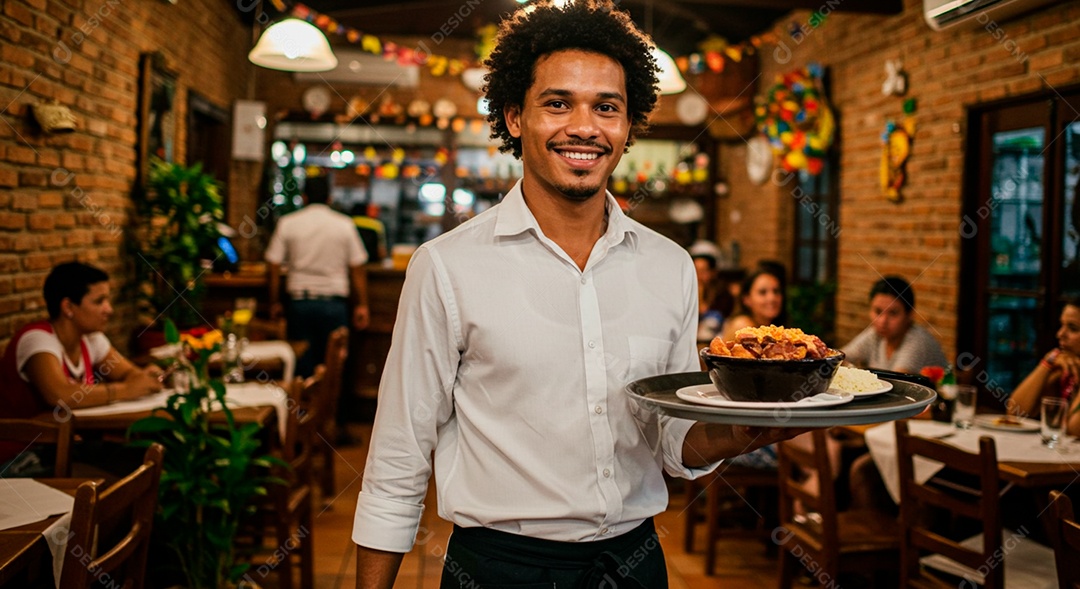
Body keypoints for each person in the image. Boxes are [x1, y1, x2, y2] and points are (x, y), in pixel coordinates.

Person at [352, 2, 801, 586]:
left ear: (628, 125)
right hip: (496, 571)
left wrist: (747, 429)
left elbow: (673, 437)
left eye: (606, 108)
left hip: (635, 565)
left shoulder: (672, 267)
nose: (584, 127)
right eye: (557, 103)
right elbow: (398, 458)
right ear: (515, 117)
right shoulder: (446, 268)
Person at [0, 262, 163, 473]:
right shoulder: (37, 339)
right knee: (126, 474)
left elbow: (130, 373)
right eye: (99, 301)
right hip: (21, 456)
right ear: (68, 307)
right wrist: (126, 390)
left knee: (145, 462)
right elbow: (59, 395)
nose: (109, 310)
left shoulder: (91, 338)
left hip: (66, 447)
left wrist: (143, 378)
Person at [266, 173, 371, 378]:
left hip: (299, 303)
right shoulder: (344, 224)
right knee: (334, 366)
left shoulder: (288, 223)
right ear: (329, 199)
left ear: (304, 198)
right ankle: (328, 409)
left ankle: (302, 408)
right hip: (334, 305)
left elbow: (274, 265)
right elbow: (357, 267)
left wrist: (274, 302)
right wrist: (362, 305)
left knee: (301, 367)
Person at [841, 275, 947, 374]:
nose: (883, 321)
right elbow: (839, 358)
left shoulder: (918, 341)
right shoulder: (875, 335)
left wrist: (853, 371)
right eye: (878, 311)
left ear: (910, 315)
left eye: (893, 313)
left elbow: (897, 384)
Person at [1007, 298, 1080, 435]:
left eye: (1073, 328)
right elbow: (1015, 413)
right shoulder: (1064, 370)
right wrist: (1048, 363)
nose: (1060, 334)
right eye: (1061, 325)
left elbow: (1073, 430)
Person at [719, 265, 786, 342]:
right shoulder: (742, 326)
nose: (772, 298)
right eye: (762, 292)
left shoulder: (777, 329)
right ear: (746, 299)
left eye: (776, 291)